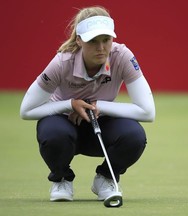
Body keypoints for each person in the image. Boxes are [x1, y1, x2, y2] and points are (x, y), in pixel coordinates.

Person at [20, 6, 155, 202]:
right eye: (93, 41)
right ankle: (61, 179)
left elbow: (147, 111)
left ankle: (106, 178)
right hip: (64, 126)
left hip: (100, 124)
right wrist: (69, 104)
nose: (101, 48)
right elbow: (26, 110)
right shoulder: (62, 62)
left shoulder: (122, 57)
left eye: (106, 40)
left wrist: (97, 104)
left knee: (134, 136)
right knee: (53, 134)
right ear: (79, 40)